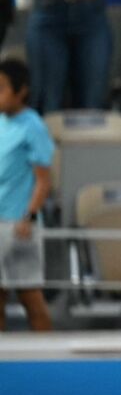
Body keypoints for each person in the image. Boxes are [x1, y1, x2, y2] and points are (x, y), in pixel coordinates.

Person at [0, 59, 54, 332]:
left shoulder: (33, 126)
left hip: (19, 225)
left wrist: (29, 216)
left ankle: (49, 360)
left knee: (30, 298)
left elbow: (44, 181)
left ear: (21, 91)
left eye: (2, 89)